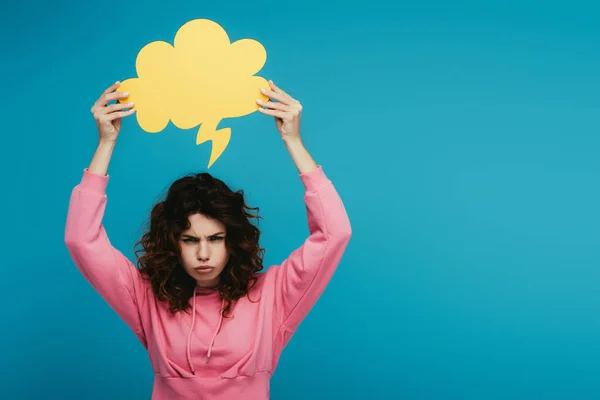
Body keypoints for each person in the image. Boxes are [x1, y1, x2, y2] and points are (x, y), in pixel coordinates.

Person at [64, 80, 352, 399]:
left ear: (233, 240)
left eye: (215, 238)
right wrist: (106, 143)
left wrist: (292, 140)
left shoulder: (274, 295)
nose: (203, 254)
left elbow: (335, 232)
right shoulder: (146, 296)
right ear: (173, 243)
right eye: (189, 240)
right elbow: (81, 239)